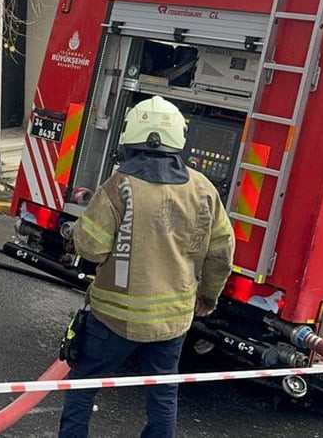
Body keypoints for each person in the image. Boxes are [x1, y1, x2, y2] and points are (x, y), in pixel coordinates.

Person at [58, 96, 235, 438]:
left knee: (82, 387)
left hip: (112, 317)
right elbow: (222, 253)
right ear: (177, 140)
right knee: (163, 393)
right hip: (172, 320)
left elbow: (91, 249)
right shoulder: (203, 189)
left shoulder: (117, 187)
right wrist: (209, 297)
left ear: (130, 136)